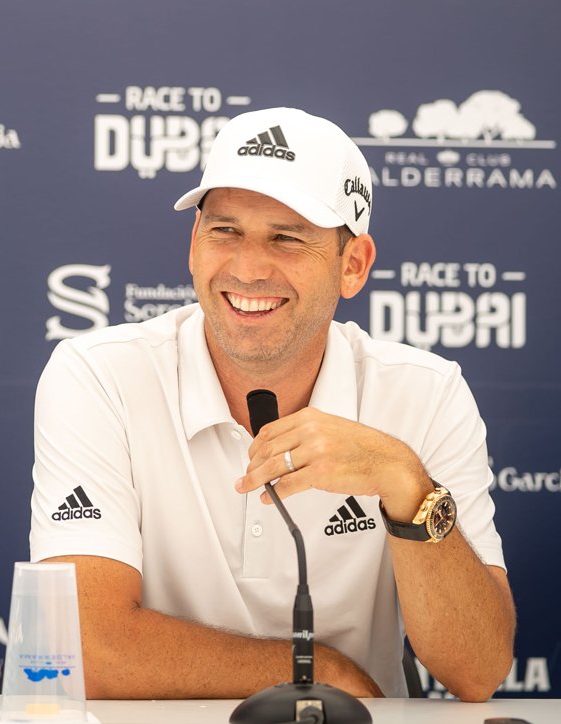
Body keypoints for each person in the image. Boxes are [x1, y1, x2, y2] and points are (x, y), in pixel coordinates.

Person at [29, 107, 514, 702]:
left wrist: (406, 484)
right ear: (193, 244)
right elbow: (87, 647)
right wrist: (322, 675)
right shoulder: (99, 375)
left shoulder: (425, 392)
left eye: (287, 239)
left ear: (353, 265)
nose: (248, 268)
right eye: (224, 231)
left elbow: (479, 669)